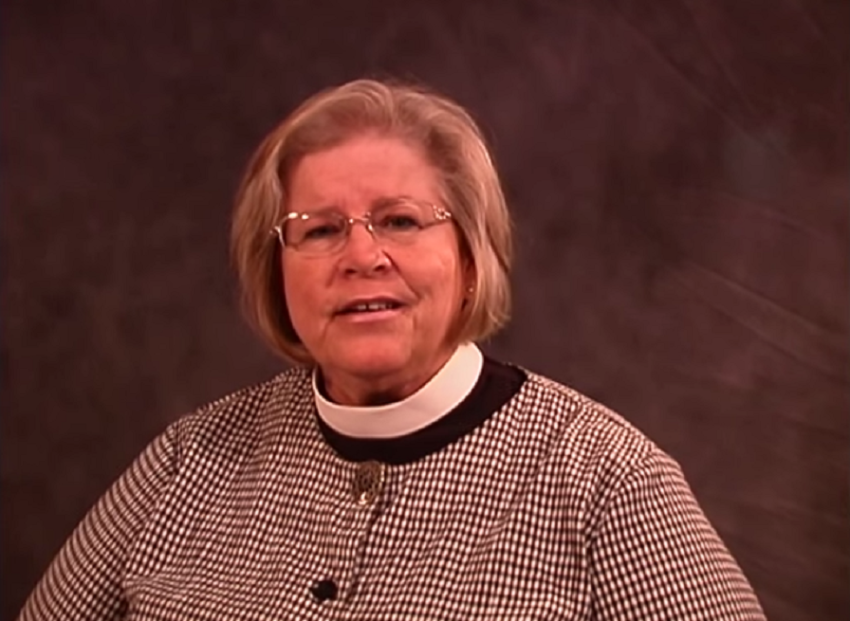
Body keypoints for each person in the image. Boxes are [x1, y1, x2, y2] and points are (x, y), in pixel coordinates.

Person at [18, 78, 767, 620]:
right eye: (318, 229)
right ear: (276, 272)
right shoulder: (188, 462)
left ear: (472, 256)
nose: (362, 255)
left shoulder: (607, 482)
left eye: (401, 221)